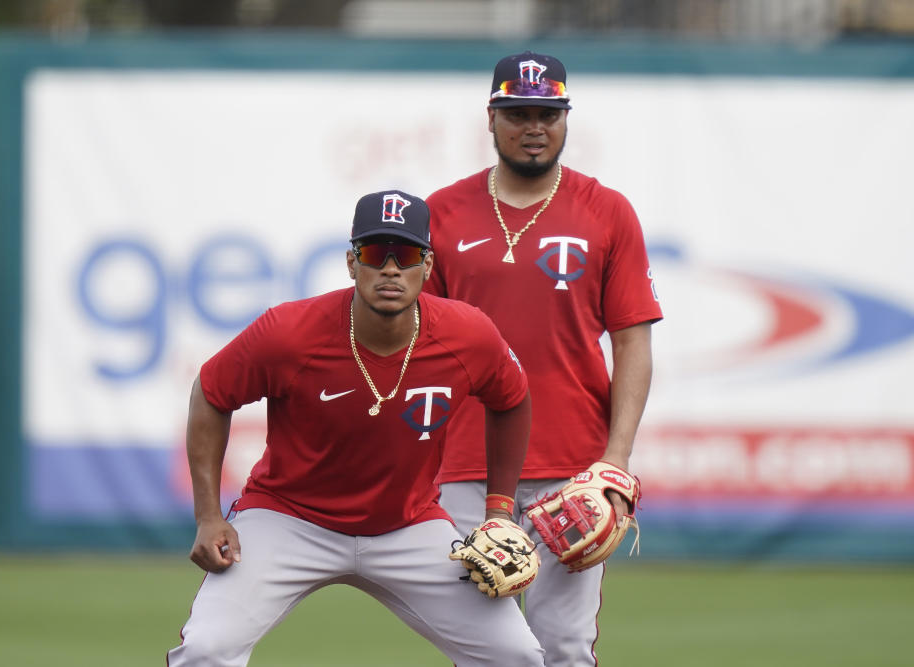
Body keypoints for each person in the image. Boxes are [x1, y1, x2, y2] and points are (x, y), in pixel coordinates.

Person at [167, 189, 545, 666]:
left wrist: (498, 511)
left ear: (428, 266)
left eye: (405, 255)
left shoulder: (467, 334)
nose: (390, 269)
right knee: (206, 649)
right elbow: (211, 392)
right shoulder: (290, 332)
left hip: (408, 524)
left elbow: (512, 398)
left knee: (518, 655)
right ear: (351, 262)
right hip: (288, 518)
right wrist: (208, 515)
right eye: (374, 253)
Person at [424, 51, 663, 666]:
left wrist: (615, 460)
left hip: (573, 470)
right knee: (480, 645)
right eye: (519, 112)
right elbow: (418, 348)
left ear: (565, 117)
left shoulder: (606, 211)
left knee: (563, 644)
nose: (535, 126)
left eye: (549, 113)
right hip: (467, 467)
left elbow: (632, 339)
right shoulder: (441, 213)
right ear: (491, 117)